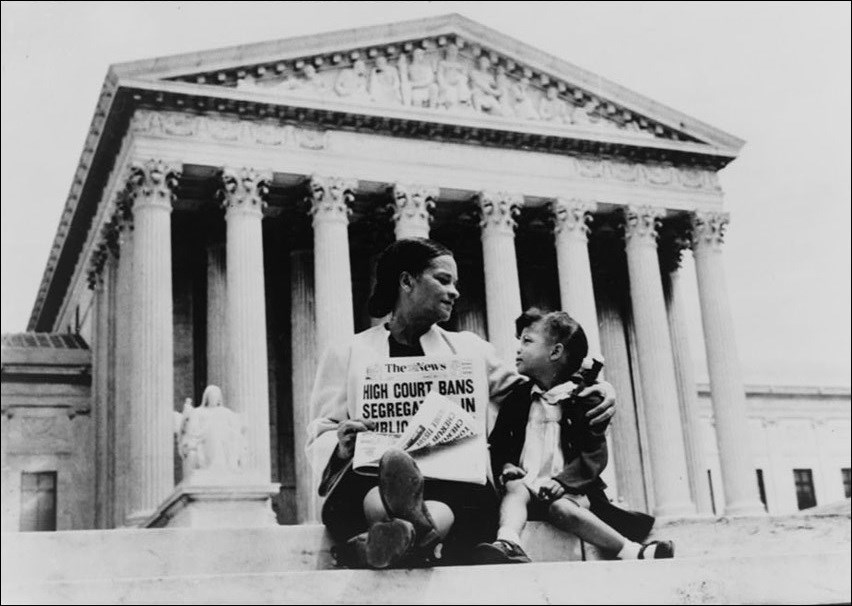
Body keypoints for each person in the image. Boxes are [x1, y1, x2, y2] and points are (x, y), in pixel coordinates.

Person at [305, 238, 617, 568]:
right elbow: (322, 432)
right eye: (443, 280)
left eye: (456, 283)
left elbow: (537, 390)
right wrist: (340, 445)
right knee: (381, 486)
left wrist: (595, 385)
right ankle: (413, 533)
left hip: (453, 483)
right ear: (407, 281)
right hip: (371, 477)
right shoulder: (348, 352)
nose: (454, 292)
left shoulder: (470, 350)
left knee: (452, 497)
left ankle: (390, 540)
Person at [475, 309, 672, 564]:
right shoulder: (518, 398)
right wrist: (507, 465)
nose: (518, 349)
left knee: (563, 509)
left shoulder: (585, 399)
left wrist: (565, 482)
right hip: (528, 485)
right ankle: (508, 540)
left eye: (527, 341)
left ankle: (631, 550)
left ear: (555, 352)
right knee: (514, 489)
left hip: (573, 491)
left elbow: (594, 454)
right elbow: (499, 441)